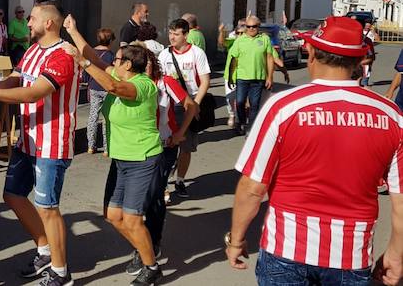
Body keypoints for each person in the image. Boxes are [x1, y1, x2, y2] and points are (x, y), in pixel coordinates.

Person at [227, 16, 403, 286]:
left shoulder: (283, 106)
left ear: (313, 55)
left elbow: (252, 187)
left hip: (286, 250)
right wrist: (396, 253)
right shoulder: (391, 116)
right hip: (351, 255)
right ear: (359, 62)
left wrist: (236, 239)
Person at [0, 0, 79, 286]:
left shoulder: (63, 56)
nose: (27, 23)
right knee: (12, 195)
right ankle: (45, 250)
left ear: (48, 23)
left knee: (48, 208)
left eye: (33, 18)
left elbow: (34, 93)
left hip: (52, 143)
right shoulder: (34, 50)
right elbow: (15, 79)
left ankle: (61, 273)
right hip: (27, 139)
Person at [65, 17, 164, 286]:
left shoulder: (143, 85)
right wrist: (73, 30)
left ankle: (151, 266)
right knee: (113, 216)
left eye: (118, 60)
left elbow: (113, 87)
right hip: (121, 160)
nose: (113, 62)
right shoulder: (117, 73)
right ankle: (146, 250)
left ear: (128, 65)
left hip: (142, 159)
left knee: (131, 219)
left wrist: (83, 63)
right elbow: (92, 56)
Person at [142, 41, 197, 262]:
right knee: (141, 200)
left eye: (144, 61)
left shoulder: (166, 82)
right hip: (139, 149)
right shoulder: (133, 83)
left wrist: (179, 133)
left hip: (164, 147)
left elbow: (190, 105)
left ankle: (152, 244)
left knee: (154, 196)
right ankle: (143, 244)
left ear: (153, 63)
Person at [157, 18, 211, 198]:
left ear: (186, 35)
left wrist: (195, 103)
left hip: (192, 103)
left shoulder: (197, 53)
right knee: (169, 144)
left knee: (186, 146)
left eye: (176, 34)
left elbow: (205, 81)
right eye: (170, 33)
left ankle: (180, 180)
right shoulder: (164, 55)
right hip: (172, 105)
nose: (172, 37)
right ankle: (163, 183)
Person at [226, 15, 275, 135]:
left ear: (258, 27)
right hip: (242, 77)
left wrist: (269, 77)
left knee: (254, 104)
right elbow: (234, 59)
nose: (251, 29)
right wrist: (231, 77)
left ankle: (251, 128)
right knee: (240, 102)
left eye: (254, 26)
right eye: (248, 26)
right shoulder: (240, 40)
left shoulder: (264, 39)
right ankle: (242, 122)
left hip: (258, 78)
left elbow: (269, 58)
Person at [85, 28, 115, 155]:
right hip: (106, 87)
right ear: (110, 41)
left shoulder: (91, 52)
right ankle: (107, 148)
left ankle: (91, 146)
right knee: (107, 118)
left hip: (94, 86)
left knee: (93, 116)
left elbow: (86, 69)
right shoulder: (111, 55)